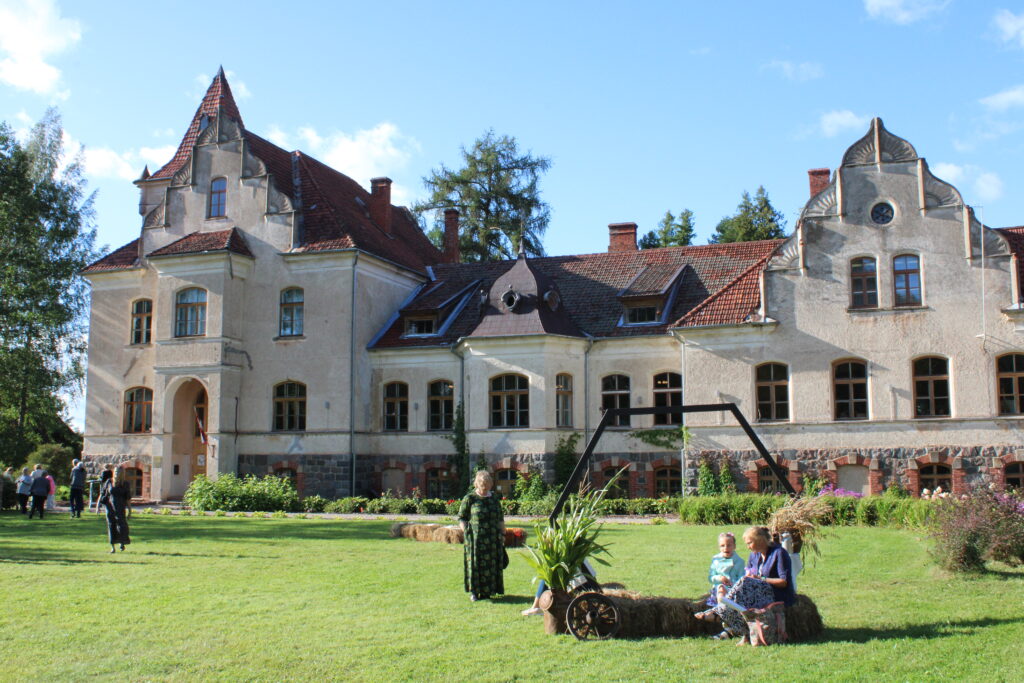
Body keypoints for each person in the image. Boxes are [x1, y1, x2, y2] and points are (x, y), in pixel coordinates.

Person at [703, 526, 795, 644]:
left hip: (775, 593)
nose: (748, 547)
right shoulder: (754, 555)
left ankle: (720, 612)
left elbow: (783, 582)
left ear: (759, 540)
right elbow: (748, 573)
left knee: (744, 584)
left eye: (750, 543)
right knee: (743, 588)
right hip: (756, 592)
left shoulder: (779, 553)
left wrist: (761, 579)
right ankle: (743, 632)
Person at [458, 470, 505, 601]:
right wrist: (466, 532)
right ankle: (474, 592)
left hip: (492, 539)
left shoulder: (494, 498)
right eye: (483, 485)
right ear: (477, 484)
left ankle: (488, 592)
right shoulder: (470, 498)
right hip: (475, 540)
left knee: (491, 565)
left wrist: (503, 534)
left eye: (487, 485)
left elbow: (500, 518)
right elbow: (462, 517)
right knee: (475, 565)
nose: (485, 488)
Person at [695, 532, 746, 614]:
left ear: (734, 546)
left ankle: (723, 611)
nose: (726, 548)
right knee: (721, 589)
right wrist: (719, 578)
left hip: (733, 588)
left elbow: (742, 578)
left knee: (726, 591)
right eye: (722, 545)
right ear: (719, 547)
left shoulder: (739, 561)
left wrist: (733, 583)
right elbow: (711, 577)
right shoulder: (716, 560)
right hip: (718, 587)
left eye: (729, 545)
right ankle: (721, 611)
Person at [99, 467, 132, 553]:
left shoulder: (125, 484)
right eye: (116, 471)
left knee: (122, 526)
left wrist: (129, 510)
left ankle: (122, 542)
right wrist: (98, 505)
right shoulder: (109, 481)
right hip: (110, 507)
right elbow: (103, 493)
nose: (116, 473)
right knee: (111, 525)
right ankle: (112, 547)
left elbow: (128, 498)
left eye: (118, 472)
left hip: (120, 507)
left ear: (122, 473)